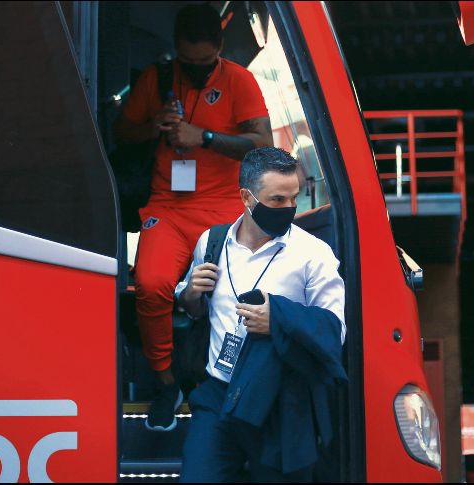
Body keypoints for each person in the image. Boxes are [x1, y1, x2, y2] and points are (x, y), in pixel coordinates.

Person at [114, 3, 272, 432]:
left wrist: (202, 137)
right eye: (189, 62)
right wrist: (154, 128)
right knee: (150, 284)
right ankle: (166, 382)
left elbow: (262, 141)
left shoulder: (239, 80)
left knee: (235, 293)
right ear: (177, 51)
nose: (198, 70)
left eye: (205, 63)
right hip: (167, 206)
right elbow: (121, 133)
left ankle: (226, 383)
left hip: (223, 206)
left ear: (219, 48)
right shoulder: (158, 78)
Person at [176, 147, 347, 482]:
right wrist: (190, 293)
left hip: (279, 402)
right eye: (277, 200)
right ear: (247, 197)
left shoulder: (313, 254)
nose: (288, 208)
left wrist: (278, 322)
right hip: (217, 395)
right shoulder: (212, 242)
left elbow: (335, 330)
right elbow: (194, 310)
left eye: (293, 197)